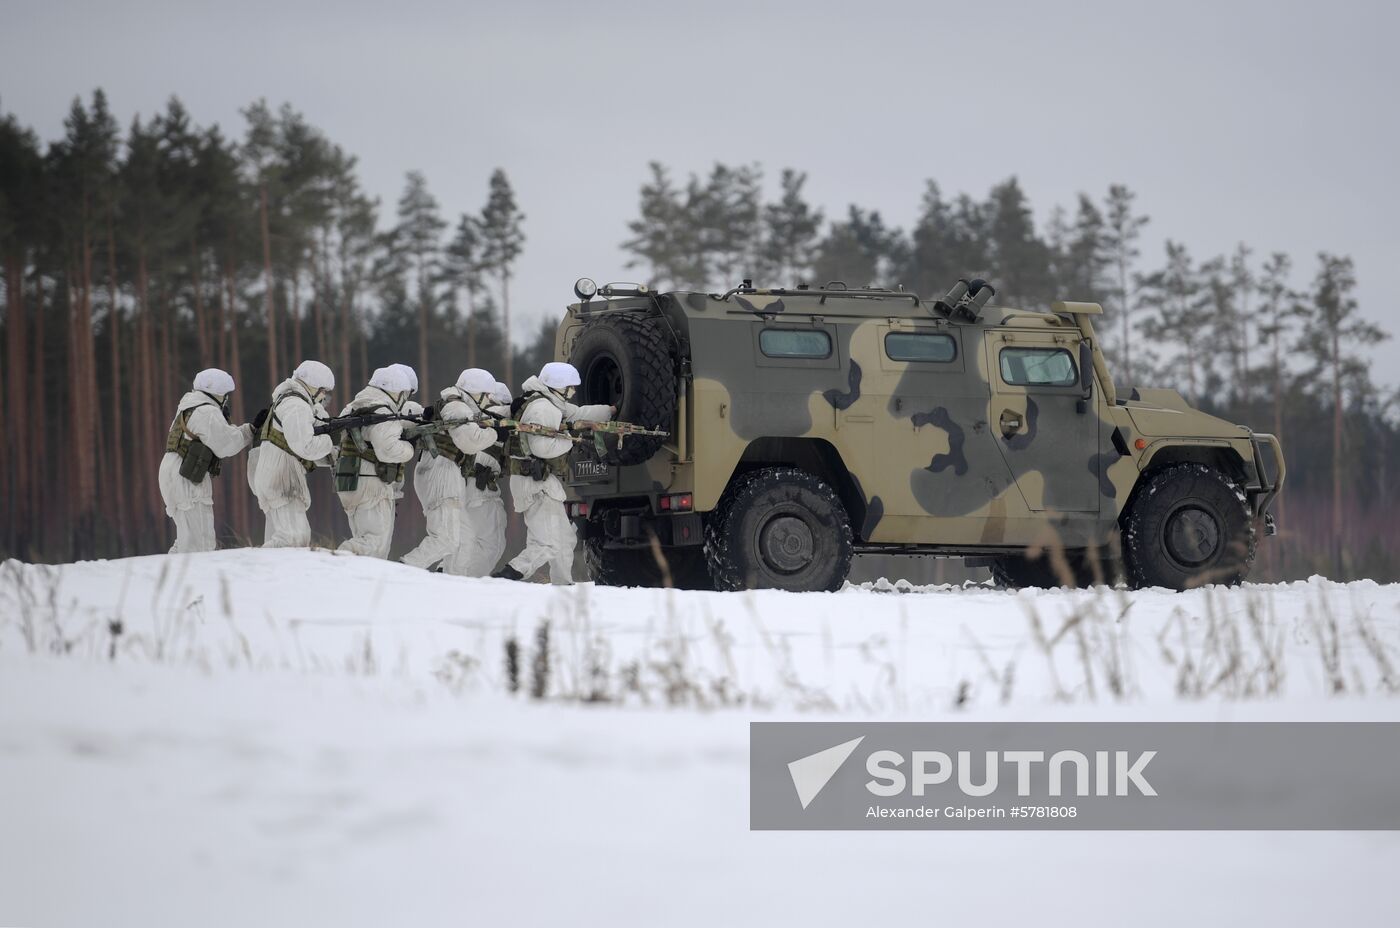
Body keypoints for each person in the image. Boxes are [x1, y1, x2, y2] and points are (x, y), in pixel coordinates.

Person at [492, 362, 612, 584]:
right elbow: (541, 447)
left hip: (541, 482)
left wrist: (610, 411)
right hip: (535, 483)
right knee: (546, 543)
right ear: (559, 386)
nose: (573, 392)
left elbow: (578, 414)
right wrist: (570, 442)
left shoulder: (549, 402)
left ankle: (562, 585)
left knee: (564, 540)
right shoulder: (543, 408)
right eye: (570, 387)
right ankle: (509, 576)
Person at [403, 368, 502, 570]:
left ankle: (452, 584)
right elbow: (469, 441)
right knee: (445, 540)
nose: (488, 400)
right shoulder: (457, 407)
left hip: (443, 471)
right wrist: (496, 434)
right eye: (486, 395)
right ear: (475, 391)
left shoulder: (457, 405)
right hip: (441, 472)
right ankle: (403, 569)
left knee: (464, 539)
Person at [159, 368, 254, 553]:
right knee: (199, 543)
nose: (226, 398)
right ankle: (196, 580)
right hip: (186, 475)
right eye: (225, 394)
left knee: (186, 537)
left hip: (171, 471)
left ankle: (174, 577)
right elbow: (227, 444)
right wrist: (249, 431)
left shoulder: (187, 407)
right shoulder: (207, 411)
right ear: (218, 393)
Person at [249, 360, 337, 548]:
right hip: (281, 479)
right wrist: (330, 443)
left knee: (283, 538)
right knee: (294, 539)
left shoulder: (290, 401)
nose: (323, 396)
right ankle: (253, 564)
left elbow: (296, 445)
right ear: (312, 386)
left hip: (277, 477)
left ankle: (266, 574)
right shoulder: (296, 405)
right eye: (323, 390)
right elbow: (304, 446)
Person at [335, 365, 417, 558]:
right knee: (374, 543)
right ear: (395, 390)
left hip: (349, 479)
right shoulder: (382, 411)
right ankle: (334, 560)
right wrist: (409, 448)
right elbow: (388, 450)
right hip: (370, 482)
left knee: (371, 551)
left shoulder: (356, 406)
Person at [446, 379, 512, 576]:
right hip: (481, 491)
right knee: (491, 544)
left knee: (464, 542)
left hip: (466, 486)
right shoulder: (491, 419)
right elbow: (503, 414)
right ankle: (468, 583)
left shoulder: (470, 420)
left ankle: (447, 575)